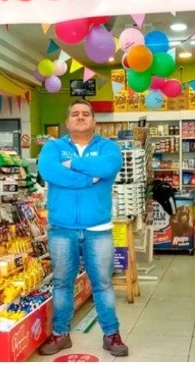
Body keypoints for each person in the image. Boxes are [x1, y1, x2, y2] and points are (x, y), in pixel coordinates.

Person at [37, 99, 128, 357]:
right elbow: (48, 171)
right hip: (61, 228)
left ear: (94, 121)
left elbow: (109, 167)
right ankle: (60, 334)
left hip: (98, 228)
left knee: (102, 284)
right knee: (62, 283)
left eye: (85, 114)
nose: (80, 117)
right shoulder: (53, 147)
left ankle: (111, 334)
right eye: (75, 114)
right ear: (67, 122)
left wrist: (73, 165)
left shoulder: (108, 147)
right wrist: (91, 178)